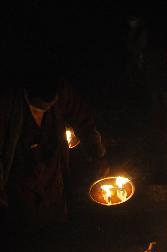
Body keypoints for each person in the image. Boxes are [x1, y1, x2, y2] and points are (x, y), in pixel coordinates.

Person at [0, 71, 108, 225]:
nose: (42, 112)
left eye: (49, 105)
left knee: (56, 221)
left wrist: (97, 153)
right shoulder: (7, 104)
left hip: (54, 179)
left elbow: (83, 120)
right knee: (27, 225)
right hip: (20, 185)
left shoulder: (61, 90)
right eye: (36, 108)